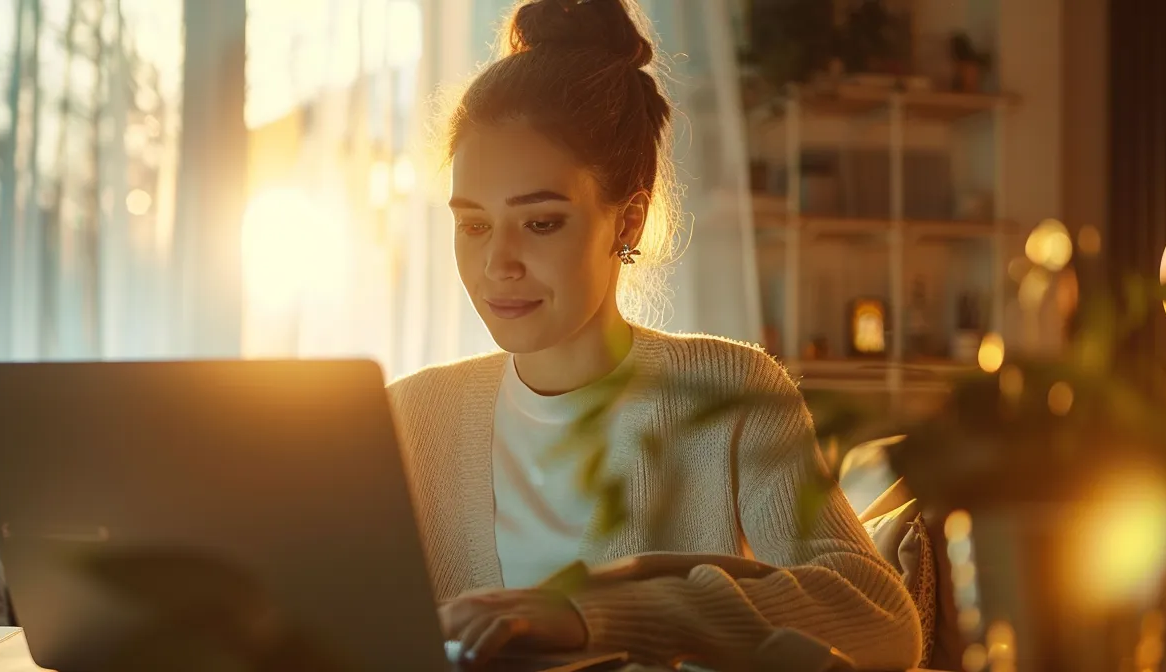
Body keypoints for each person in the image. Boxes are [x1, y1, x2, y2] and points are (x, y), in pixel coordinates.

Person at [384, 0, 922, 669]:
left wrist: (599, 616)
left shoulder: (730, 394)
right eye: (474, 224)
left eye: (542, 221)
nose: (498, 264)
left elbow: (877, 618)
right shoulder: (408, 419)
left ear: (628, 223)